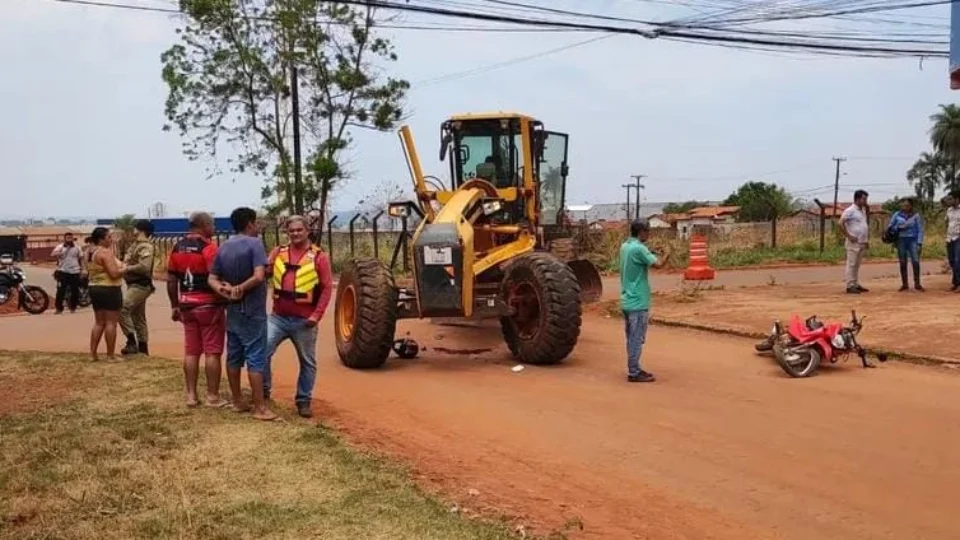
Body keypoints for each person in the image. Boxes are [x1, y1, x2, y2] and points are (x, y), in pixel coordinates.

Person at [208, 207, 276, 421]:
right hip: (253, 311)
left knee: (234, 356)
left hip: (233, 311)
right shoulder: (255, 244)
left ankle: (237, 400)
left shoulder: (224, 246)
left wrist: (226, 291)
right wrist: (239, 289)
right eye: (255, 223)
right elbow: (258, 276)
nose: (256, 227)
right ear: (249, 224)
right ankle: (260, 408)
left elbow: (211, 278)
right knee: (256, 358)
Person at [264, 215, 334, 418]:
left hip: (305, 321)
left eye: (299, 230)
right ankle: (264, 391)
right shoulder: (278, 252)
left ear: (307, 231)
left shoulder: (320, 257)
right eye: (291, 230)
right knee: (263, 352)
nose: (295, 234)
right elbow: (265, 273)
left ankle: (304, 400)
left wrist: (316, 315)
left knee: (307, 362)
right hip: (278, 317)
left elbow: (327, 288)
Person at [166, 212, 227, 408]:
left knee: (191, 351)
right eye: (213, 224)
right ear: (204, 225)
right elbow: (215, 277)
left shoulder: (177, 247)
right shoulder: (209, 248)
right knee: (212, 352)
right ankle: (212, 396)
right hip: (208, 305)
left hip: (186, 305)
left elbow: (171, 279)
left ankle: (191, 395)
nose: (214, 228)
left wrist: (175, 305)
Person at [619, 218, 665, 383]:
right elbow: (658, 264)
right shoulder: (639, 249)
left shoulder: (625, 246)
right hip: (638, 301)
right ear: (641, 232)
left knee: (632, 337)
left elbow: (642, 255)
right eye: (648, 231)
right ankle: (634, 371)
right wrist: (666, 254)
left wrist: (650, 251)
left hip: (627, 299)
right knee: (637, 338)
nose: (649, 234)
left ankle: (634, 367)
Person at [87, 227, 125, 361]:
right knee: (111, 323)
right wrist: (125, 268)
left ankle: (92, 353)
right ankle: (110, 355)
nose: (111, 240)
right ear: (101, 239)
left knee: (99, 322)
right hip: (109, 289)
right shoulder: (105, 253)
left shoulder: (90, 251)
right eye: (109, 237)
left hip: (94, 288)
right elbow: (114, 274)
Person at [120, 220, 157, 355]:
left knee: (122, 308)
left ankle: (131, 342)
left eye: (135, 228)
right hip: (133, 284)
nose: (132, 231)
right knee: (138, 317)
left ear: (140, 230)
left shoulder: (145, 247)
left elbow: (144, 267)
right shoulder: (135, 245)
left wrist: (126, 268)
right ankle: (143, 348)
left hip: (140, 285)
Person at [887, 197, 925, 292]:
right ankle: (904, 284)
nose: (905, 207)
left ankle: (917, 284)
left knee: (915, 261)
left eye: (907, 205)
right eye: (903, 205)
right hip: (901, 240)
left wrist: (919, 242)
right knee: (902, 262)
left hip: (913, 240)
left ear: (911, 206)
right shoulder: (897, 214)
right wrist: (898, 227)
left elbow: (920, 229)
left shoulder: (916, 216)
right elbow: (890, 226)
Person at [838, 190, 870, 294]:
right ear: (857, 199)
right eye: (863, 199)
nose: (865, 201)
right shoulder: (850, 210)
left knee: (857, 264)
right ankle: (850, 285)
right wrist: (849, 236)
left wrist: (866, 240)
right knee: (851, 264)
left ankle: (855, 283)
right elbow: (840, 223)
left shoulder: (862, 211)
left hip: (862, 241)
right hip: (853, 242)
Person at [52, 232, 84, 313]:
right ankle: (59, 308)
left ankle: (73, 307)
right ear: (65, 239)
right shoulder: (60, 247)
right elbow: (52, 254)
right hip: (63, 271)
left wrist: (82, 269)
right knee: (60, 291)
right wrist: (62, 252)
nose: (69, 239)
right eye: (67, 238)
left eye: (71, 238)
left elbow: (81, 259)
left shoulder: (77, 247)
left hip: (75, 271)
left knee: (75, 291)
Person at [945, 191, 960, 291]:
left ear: (957, 199)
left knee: (958, 261)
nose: (948, 201)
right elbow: (947, 222)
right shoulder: (949, 210)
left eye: (950, 199)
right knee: (951, 261)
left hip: (958, 238)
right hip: (950, 238)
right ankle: (955, 283)